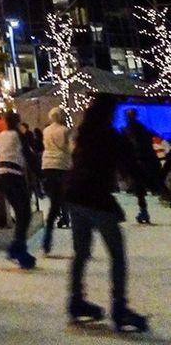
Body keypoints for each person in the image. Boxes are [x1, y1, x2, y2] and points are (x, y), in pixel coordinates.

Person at [66, 94, 148, 332]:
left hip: (74, 195)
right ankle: (119, 308)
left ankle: (75, 301)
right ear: (110, 113)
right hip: (96, 198)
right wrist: (157, 186)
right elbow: (131, 167)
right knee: (117, 254)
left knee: (80, 252)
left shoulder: (84, 134)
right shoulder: (112, 137)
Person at [0, 110, 36, 269]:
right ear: (17, 122)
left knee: (21, 212)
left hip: (1, 174)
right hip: (14, 174)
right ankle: (18, 248)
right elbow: (27, 155)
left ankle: (19, 248)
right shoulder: (18, 135)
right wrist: (39, 173)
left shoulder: (0, 136)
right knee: (25, 213)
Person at [122, 108, 163, 224]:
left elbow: (127, 148)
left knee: (141, 188)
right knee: (150, 186)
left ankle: (143, 211)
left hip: (138, 162)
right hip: (146, 161)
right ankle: (143, 211)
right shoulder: (142, 128)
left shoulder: (128, 130)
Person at [41, 106, 72, 253]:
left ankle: (47, 237)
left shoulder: (46, 131)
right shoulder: (64, 130)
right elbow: (68, 148)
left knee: (54, 202)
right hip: (61, 165)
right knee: (67, 197)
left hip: (47, 165)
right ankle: (77, 238)